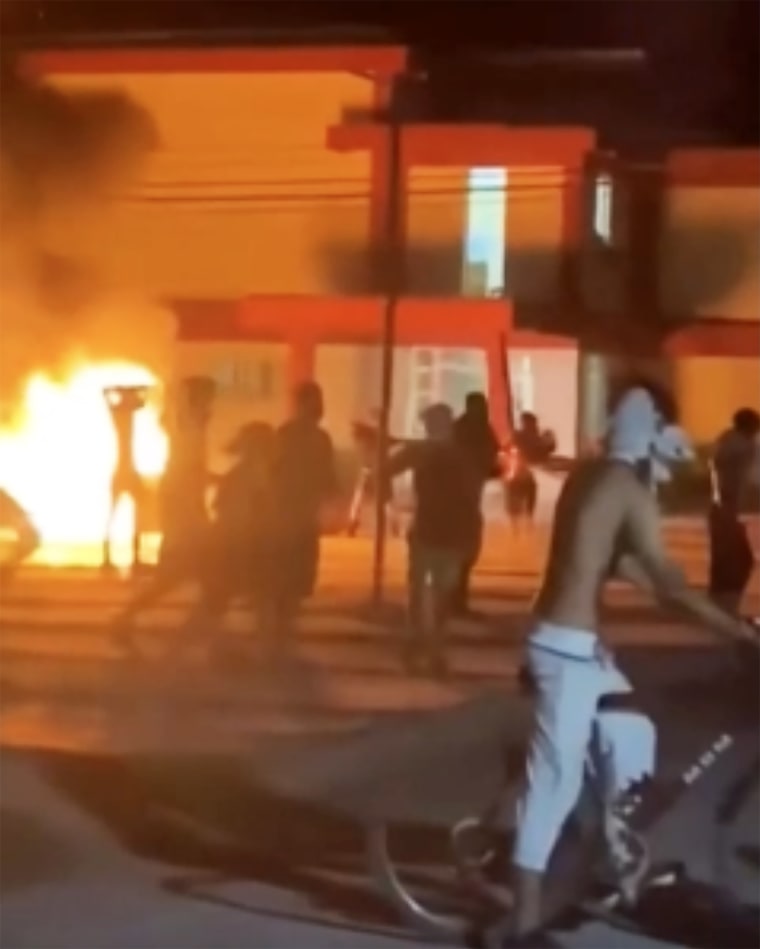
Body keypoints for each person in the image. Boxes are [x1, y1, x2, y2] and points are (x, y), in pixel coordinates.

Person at [507, 384, 757, 947]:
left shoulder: (591, 477)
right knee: (555, 782)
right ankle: (522, 929)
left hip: (576, 645)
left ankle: (625, 870)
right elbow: (667, 580)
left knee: (632, 737)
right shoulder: (627, 488)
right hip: (563, 648)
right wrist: (737, 631)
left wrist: (710, 620)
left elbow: (617, 563)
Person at [388, 403, 481, 677]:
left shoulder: (421, 451)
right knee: (441, 594)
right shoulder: (461, 455)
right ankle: (436, 650)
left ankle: (417, 643)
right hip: (450, 534)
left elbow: (385, 468)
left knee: (418, 590)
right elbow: (471, 497)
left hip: (427, 530)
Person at [267, 382, 338, 670]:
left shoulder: (293, 434)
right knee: (291, 576)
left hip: (293, 514)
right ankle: (281, 635)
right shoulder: (311, 437)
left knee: (290, 577)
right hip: (294, 514)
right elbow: (325, 475)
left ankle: (281, 635)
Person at [451, 392, 501, 618]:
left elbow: (491, 455)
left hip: (468, 498)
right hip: (460, 498)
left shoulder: (471, 428)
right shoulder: (468, 429)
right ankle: (454, 598)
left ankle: (456, 597)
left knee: (465, 551)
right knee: (462, 550)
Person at [708, 407, 760, 614]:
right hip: (727, 507)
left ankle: (721, 603)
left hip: (720, 506)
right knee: (738, 559)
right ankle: (724, 605)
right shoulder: (744, 446)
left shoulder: (725, 441)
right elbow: (754, 478)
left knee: (727, 558)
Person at [503, 412, 556, 531]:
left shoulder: (517, 436)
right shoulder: (534, 437)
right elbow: (546, 451)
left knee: (515, 499)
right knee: (529, 495)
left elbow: (505, 447)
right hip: (523, 473)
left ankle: (516, 526)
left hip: (516, 473)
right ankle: (527, 522)